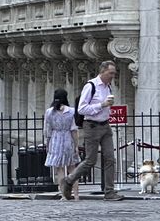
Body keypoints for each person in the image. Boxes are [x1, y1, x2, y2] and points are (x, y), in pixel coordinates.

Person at [60, 60, 123, 201]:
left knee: (110, 159)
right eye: (110, 73)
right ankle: (69, 180)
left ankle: (109, 192)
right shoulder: (91, 86)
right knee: (90, 161)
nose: (113, 75)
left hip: (105, 126)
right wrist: (102, 105)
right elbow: (82, 109)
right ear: (102, 71)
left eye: (114, 73)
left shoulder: (108, 86)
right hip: (92, 126)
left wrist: (108, 109)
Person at [43, 88, 80, 200]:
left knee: (59, 170)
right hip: (68, 139)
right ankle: (76, 194)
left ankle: (64, 195)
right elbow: (74, 130)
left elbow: (47, 130)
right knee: (72, 169)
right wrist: (76, 145)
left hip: (55, 140)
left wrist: (47, 143)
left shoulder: (49, 112)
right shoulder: (71, 111)